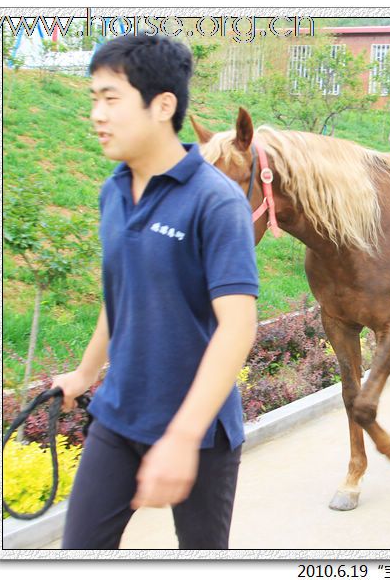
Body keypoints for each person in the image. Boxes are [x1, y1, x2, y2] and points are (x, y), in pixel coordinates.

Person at [52, 34, 259, 549]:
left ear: (162, 104)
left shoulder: (215, 202)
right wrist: (84, 373)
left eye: (111, 99)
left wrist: (182, 438)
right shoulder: (113, 191)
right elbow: (119, 293)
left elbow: (238, 326)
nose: (97, 114)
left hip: (201, 432)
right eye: (94, 99)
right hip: (117, 417)